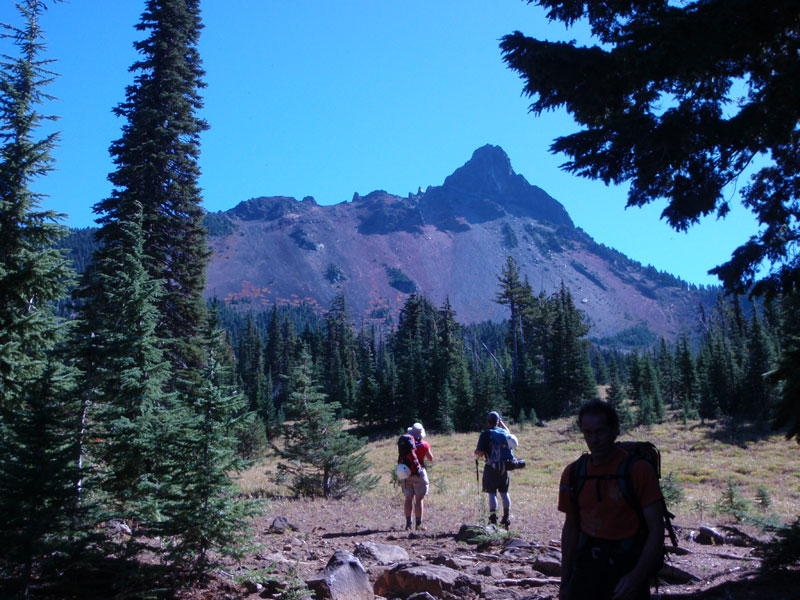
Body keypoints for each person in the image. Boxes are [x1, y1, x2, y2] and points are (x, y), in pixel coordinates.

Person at [558, 400, 664, 600]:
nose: (594, 439)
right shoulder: (573, 473)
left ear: (614, 431)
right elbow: (571, 529)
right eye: (587, 433)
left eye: (600, 432)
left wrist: (636, 577)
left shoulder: (638, 471)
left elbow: (656, 530)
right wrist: (565, 582)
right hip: (586, 567)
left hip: (626, 569)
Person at [474, 411, 518, 529]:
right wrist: (501, 422)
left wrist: (477, 454)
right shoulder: (504, 432)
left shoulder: (485, 434)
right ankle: (506, 518)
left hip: (491, 468)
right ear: (498, 421)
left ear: (487, 422)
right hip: (505, 467)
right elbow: (508, 432)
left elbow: (481, 453)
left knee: (492, 493)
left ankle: (493, 520)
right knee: (504, 493)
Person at [402, 422, 433, 531]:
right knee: (419, 499)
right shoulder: (424, 444)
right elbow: (430, 458)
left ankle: (408, 523)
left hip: (406, 473)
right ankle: (418, 524)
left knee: (408, 498)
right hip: (419, 473)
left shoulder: (406, 444)